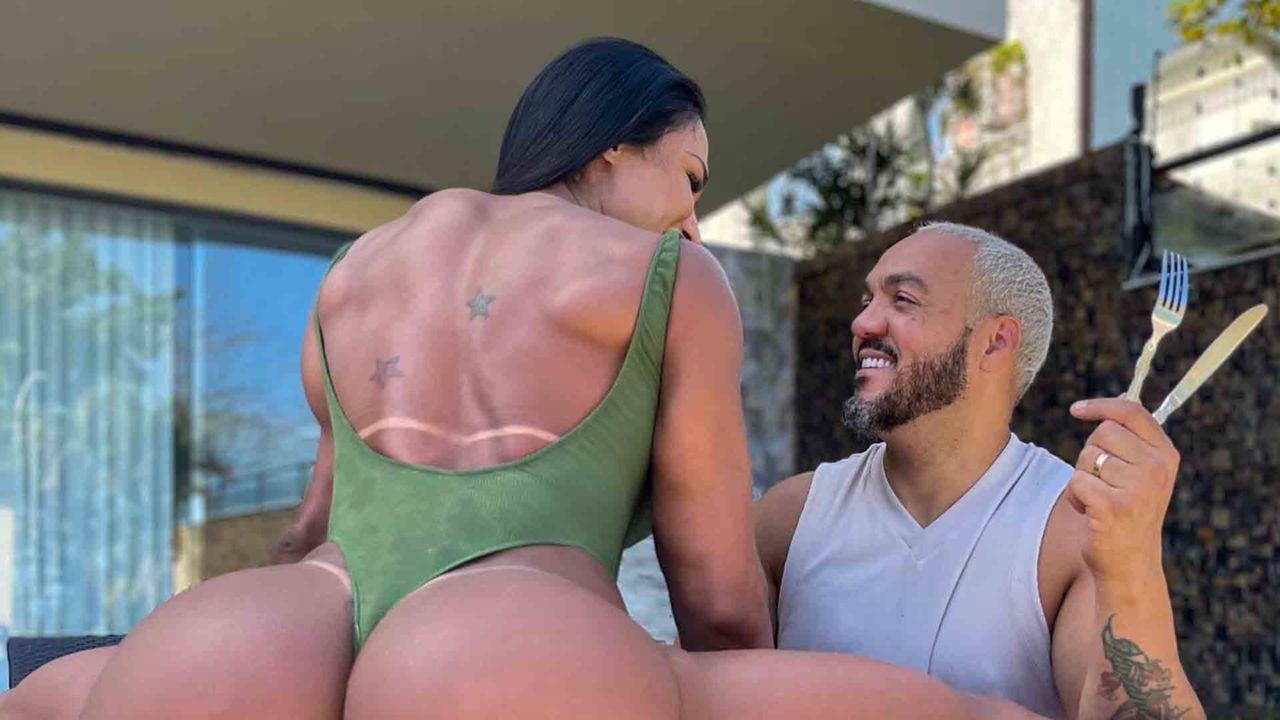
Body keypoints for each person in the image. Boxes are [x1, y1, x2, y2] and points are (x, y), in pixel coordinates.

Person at [2, 40, 1041, 720]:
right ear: (612, 148)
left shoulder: (357, 268)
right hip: (504, 644)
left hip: (270, 630)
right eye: (687, 179)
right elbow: (717, 597)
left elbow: (309, 527)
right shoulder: (668, 277)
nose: (690, 218)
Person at [755, 222, 1206, 720]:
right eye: (867, 301)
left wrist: (1131, 564)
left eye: (902, 300)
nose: (862, 323)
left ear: (994, 343)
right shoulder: (787, 519)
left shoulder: (1071, 531)